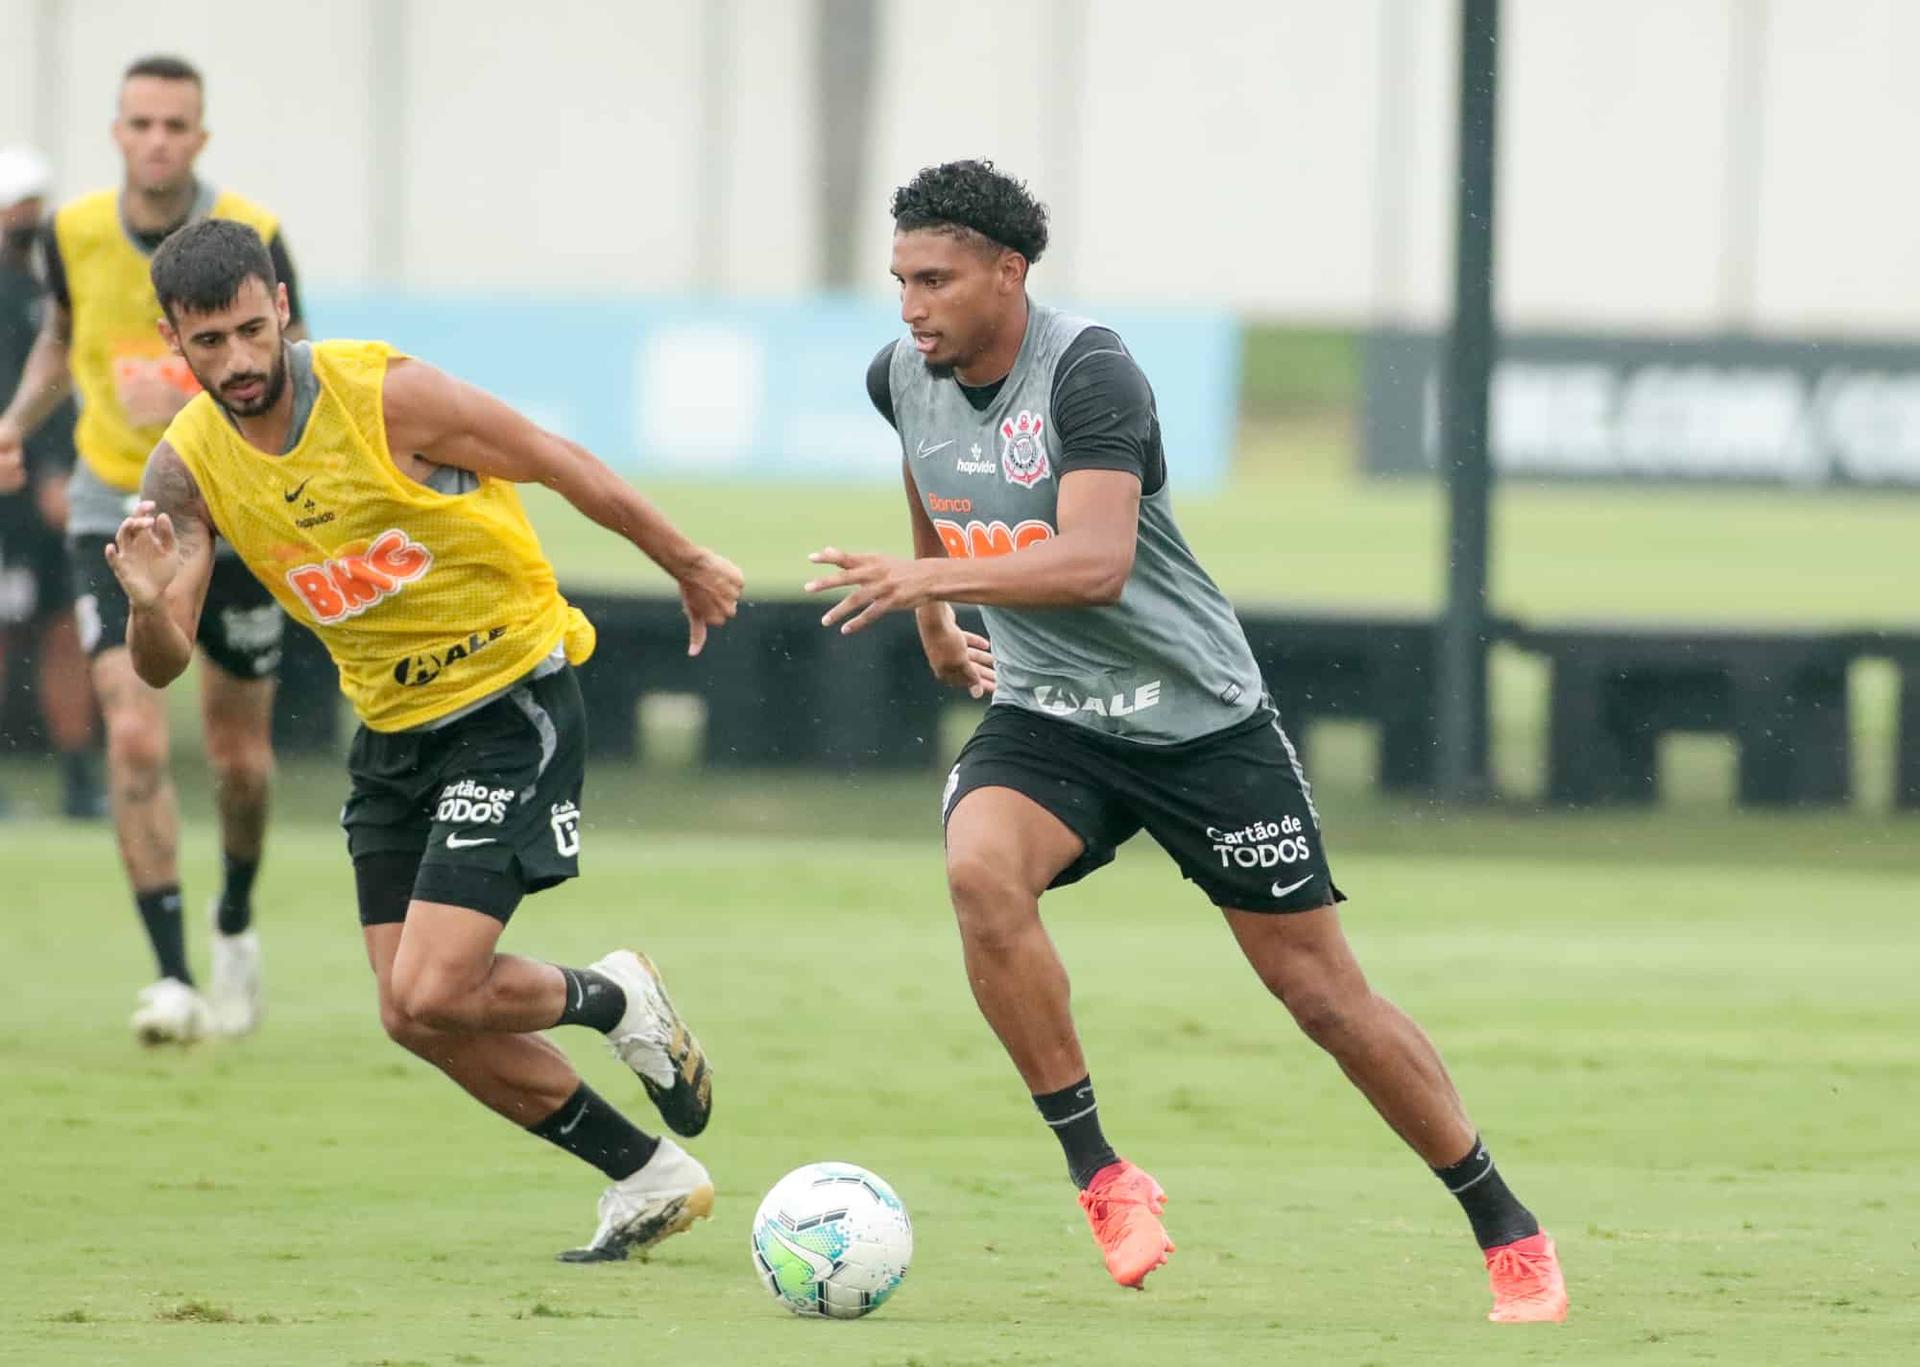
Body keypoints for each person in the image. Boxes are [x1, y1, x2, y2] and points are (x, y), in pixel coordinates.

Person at [806, 159, 1568, 1323]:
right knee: (978, 871)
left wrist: (928, 573)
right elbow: (928, 468)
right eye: (901, 279)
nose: (912, 306)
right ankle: (1104, 1174)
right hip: (1053, 716)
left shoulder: (1094, 372)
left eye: (936, 279)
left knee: (1321, 996)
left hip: (1200, 721)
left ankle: (1503, 1223)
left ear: (1010, 272)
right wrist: (936, 614)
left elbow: (1095, 562)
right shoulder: (901, 373)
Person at [107, 217, 742, 1260]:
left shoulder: (380, 395)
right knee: (412, 1016)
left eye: (250, 330)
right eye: (207, 342)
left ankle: (616, 994)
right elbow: (166, 659)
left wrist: (682, 556)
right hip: (393, 734)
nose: (237, 361)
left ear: (279, 305)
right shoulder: (188, 468)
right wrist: (142, 602)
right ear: (172, 339)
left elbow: (551, 457)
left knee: (437, 984)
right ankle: (648, 1174)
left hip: (509, 701)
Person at [0, 56, 306, 1042]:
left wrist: (185, 401)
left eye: (178, 124)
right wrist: (17, 418)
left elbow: (293, 372)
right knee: (133, 731)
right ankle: (172, 977)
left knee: (239, 759)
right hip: (112, 506)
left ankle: (234, 921)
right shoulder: (76, 233)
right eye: (142, 123)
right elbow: (59, 334)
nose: (159, 139)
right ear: (118, 133)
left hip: (235, 502)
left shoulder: (253, 230)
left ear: (201, 138)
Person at [0, 145, 104, 820]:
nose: (31, 218)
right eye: (21, 207)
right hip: (9, 495)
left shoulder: (44, 290)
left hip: (52, 493)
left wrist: (64, 471)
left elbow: (60, 393)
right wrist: (36, 471)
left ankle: (77, 781)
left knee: (68, 629)